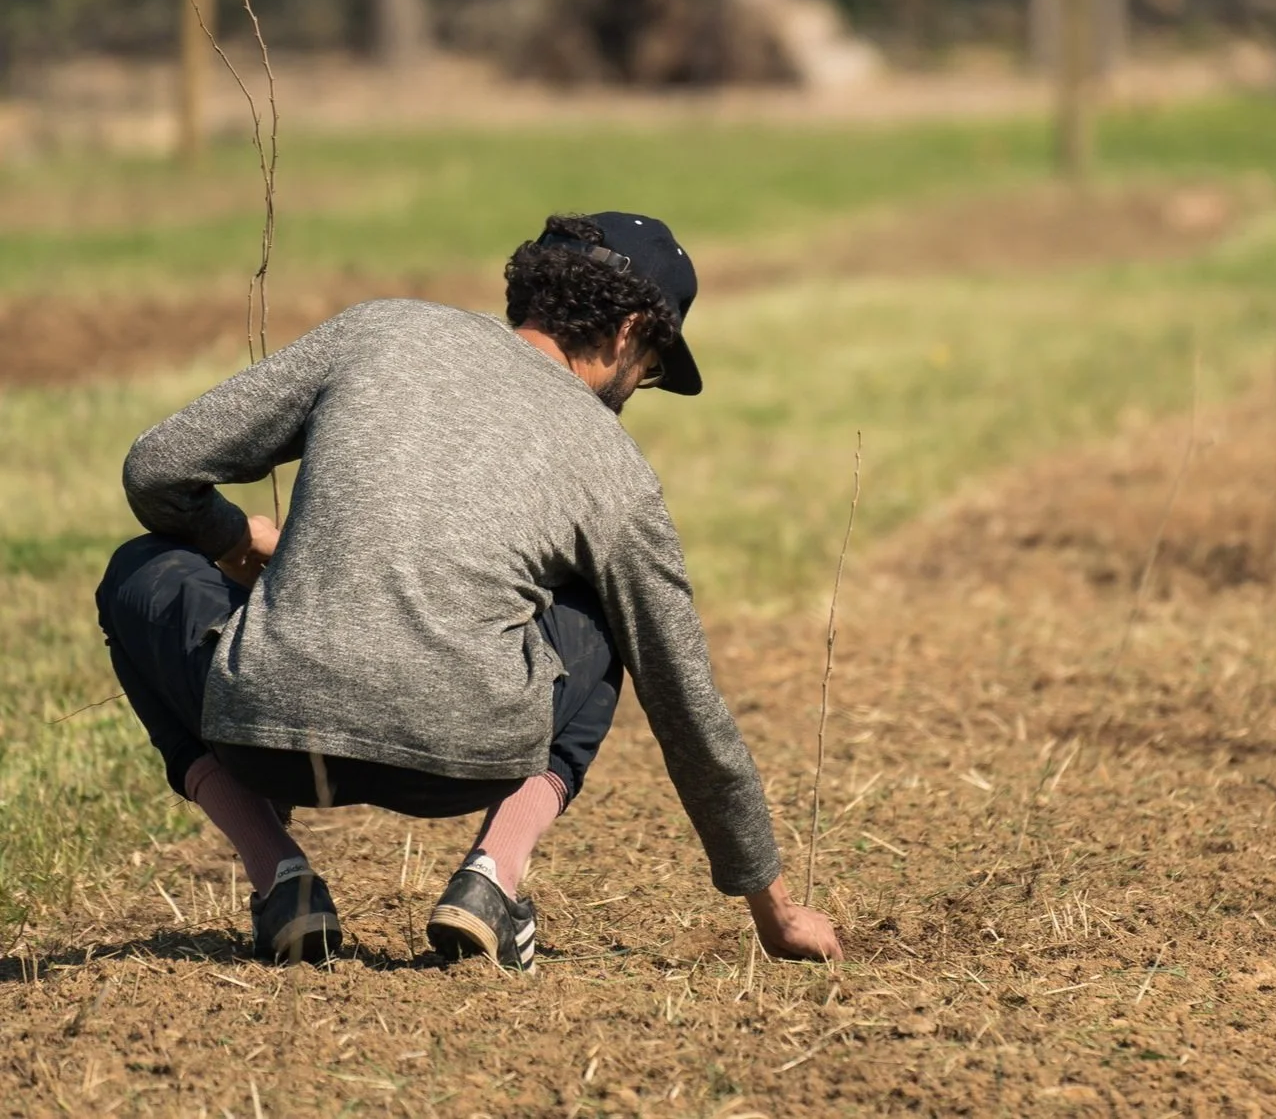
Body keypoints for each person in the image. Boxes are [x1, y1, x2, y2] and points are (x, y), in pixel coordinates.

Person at [97, 211, 842, 971]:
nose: (638, 385)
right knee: (603, 611)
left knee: (139, 569)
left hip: (261, 737)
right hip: (465, 761)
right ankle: (493, 873)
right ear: (627, 333)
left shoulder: (379, 330)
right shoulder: (615, 468)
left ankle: (277, 873)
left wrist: (233, 538)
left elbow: (157, 469)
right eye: (651, 366)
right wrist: (772, 909)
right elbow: (683, 699)